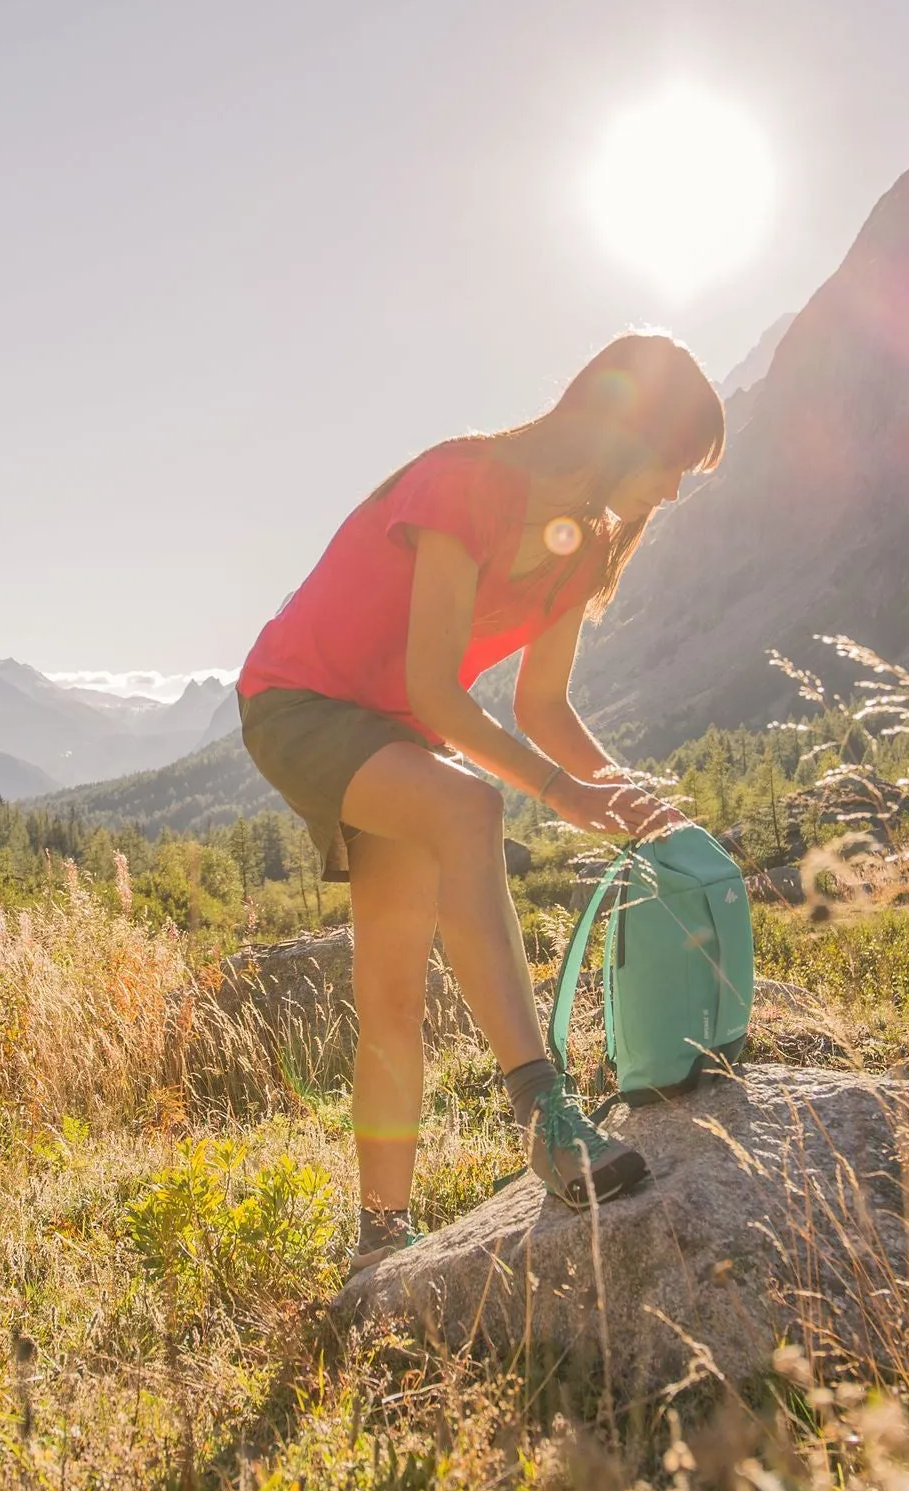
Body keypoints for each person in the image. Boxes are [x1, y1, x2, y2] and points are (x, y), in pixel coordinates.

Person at [235, 332, 725, 1275]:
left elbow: (544, 706)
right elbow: (435, 692)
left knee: (392, 988)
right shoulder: (465, 484)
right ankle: (544, 1109)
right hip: (297, 704)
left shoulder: (581, 550)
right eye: (670, 464)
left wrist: (620, 794)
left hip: (387, 736)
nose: (669, 494)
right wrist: (558, 794)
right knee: (471, 809)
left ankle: (380, 1240)